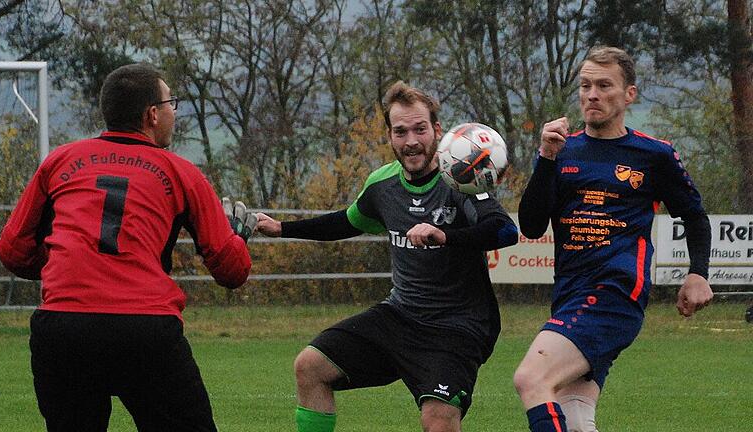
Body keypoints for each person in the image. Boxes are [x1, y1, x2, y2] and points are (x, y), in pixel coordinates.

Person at [0, 63, 254, 432]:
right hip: (144, 327)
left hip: (64, 328)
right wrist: (238, 237)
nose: (173, 113)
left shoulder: (59, 161)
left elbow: (12, 251)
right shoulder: (182, 172)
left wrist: (66, 263)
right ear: (152, 115)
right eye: (171, 104)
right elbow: (231, 271)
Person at [255, 80, 518, 432]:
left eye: (420, 129)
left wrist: (445, 236)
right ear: (391, 137)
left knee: (437, 420)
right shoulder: (382, 185)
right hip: (400, 316)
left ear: (437, 131)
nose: (411, 141)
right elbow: (344, 223)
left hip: (456, 326)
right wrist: (282, 229)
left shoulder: (460, 179)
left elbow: (503, 231)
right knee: (310, 367)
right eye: (401, 131)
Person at [513, 46, 714, 432]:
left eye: (604, 85)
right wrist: (545, 158)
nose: (593, 94)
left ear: (629, 94)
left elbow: (693, 215)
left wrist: (697, 273)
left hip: (616, 294)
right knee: (573, 417)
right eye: (586, 85)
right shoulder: (562, 149)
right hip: (571, 295)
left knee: (531, 378)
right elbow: (533, 226)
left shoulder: (653, 154)